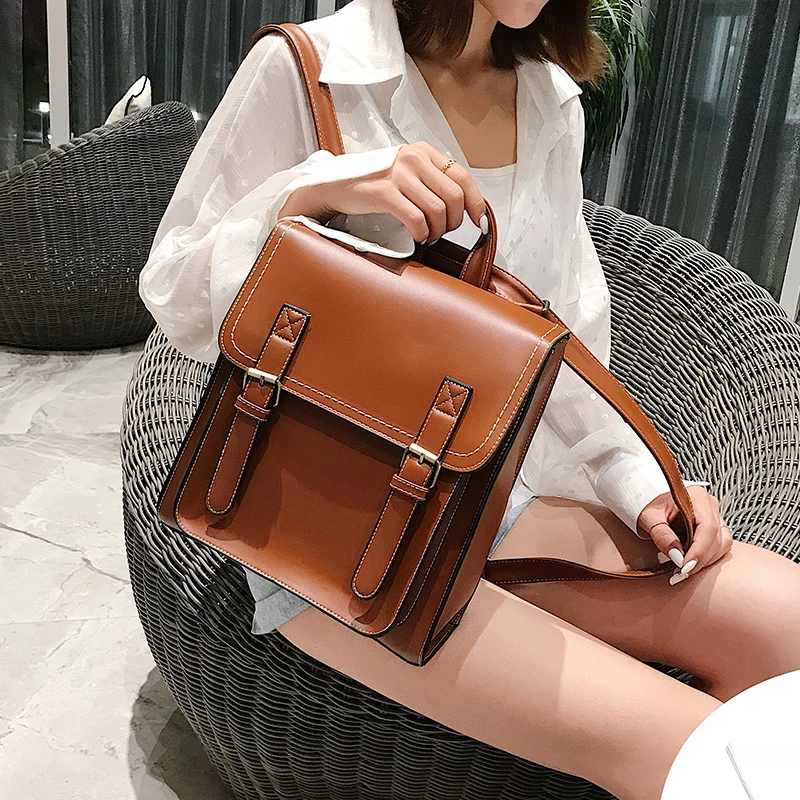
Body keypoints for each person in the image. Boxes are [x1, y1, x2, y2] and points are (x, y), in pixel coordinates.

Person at [138, 1, 800, 798]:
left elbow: (564, 325)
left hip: (492, 491)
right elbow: (173, 289)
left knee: (787, 626)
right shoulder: (314, 67)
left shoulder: (548, 96)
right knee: (690, 750)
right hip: (329, 519)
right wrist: (318, 189)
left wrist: (637, 476)